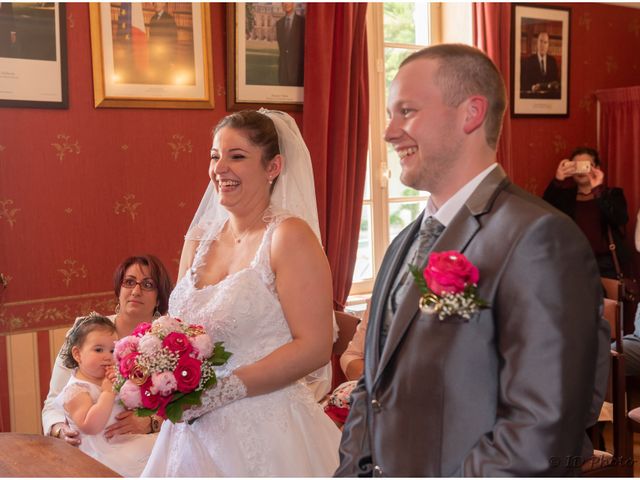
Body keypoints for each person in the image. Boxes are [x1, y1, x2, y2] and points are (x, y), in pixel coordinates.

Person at [336, 44, 609, 476]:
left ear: (471, 113)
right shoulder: (404, 241)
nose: (389, 132)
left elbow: (540, 427)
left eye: (406, 111)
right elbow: (373, 388)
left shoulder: (539, 238)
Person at [142, 109, 341, 476]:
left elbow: (314, 346)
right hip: (188, 433)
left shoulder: (288, 237)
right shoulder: (199, 240)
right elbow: (176, 332)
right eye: (215, 156)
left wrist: (221, 392)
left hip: (266, 430)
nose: (219, 168)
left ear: (273, 167)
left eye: (237, 157)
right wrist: (151, 370)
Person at [42, 254, 173, 446]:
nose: (136, 291)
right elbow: (54, 401)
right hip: (88, 446)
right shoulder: (85, 331)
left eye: (147, 285)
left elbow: (186, 407)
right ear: (119, 290)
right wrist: (60, 430)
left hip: (149, 446)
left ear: (159, 298)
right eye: (129, 282)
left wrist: (152, 422)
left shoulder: (168, 343)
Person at [56, 313, 156, 477]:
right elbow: (91, 426)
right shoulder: (77, 389)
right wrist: (109, 391)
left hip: (123, 441)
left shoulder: (107, 380)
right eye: (98, 350)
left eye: (112, 350)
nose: (107, 357)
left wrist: (124, 386)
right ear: (77, 354)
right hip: (101, 455)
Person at [543, 147, 630, 279]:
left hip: (606, 264)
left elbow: (620, 218)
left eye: (586, 165)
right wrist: (558, 179)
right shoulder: (565, 197)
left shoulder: (612, 194)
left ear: (597, 168)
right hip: (572, 263)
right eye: (576, 165)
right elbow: (545, 212)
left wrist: (597, 190)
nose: (581, 170)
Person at [520, 32, 560, 97]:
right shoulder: (528, 61)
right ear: (537, 43)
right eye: (541, 41)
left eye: (545, 42)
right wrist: (532, 87)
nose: (542, 45)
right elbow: (523, 83)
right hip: (533, 96)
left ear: (548, 45)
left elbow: (556, 82)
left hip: (549, 97)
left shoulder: (552, 61)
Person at [148, 2, 178, 84]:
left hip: (166, 58)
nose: (156, 4)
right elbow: (151, 40)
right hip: (154, 58)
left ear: (164, 4)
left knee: (165, 81)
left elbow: (173, 40)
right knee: (155, 82)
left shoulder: (169, 19)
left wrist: (172, 60)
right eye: (155, 2)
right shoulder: (153, 19)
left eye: (159, 2)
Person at [275, 3, 305, 86]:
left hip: (298, 73)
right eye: (283, 2)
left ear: (293, 3)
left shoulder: (303, 22)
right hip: (283, 72)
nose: (286, 4)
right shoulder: (279, 24)